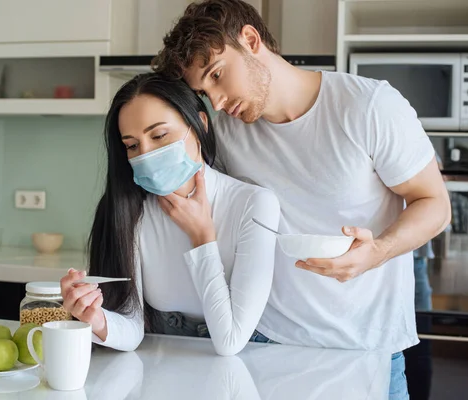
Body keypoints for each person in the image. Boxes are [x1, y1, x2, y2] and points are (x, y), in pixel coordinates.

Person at [151, 0, 451, 398]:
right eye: (205, 92)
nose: (218, 101)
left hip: (364, 349)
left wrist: (377, 251)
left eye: (218, 75)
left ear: (251, 40)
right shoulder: (226, 134)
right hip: (268, 345)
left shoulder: (368, 106)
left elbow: (434, 203)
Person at [59, 73, 280, 356]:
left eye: (160, 135)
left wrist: (202, 237)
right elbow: (132, 327)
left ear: (200, 125)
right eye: (132, 145)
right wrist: (95, 318)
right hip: (162, 348)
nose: (146, 154)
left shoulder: (254, 204)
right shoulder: (128, 209)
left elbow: (230, 341)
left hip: (246, 359)